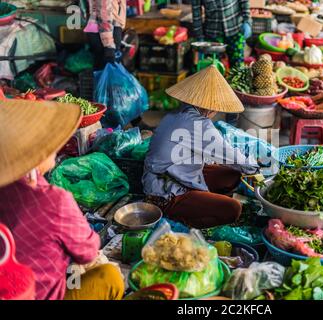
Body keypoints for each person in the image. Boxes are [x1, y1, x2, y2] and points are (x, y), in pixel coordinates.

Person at [0, 100, 124, 300]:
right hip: (35, 294)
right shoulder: (53, 200)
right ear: (35, 152)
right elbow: (88, 252)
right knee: (109, 277)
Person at [142, 65, 259, 229]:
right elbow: (228, 154)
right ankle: (191, 222)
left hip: (177, 172)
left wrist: (245, 166)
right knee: (233, 208)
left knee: (232, 175)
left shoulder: (180, 114)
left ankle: (204, 202)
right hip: (164, 192)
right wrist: (256, 168)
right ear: (210, 107)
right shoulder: (198, 123)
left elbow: (222, 151)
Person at [191, 0, 252, 68]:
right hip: (213, 34)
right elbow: (196, 15)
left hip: (235, 29)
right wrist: (199, 37)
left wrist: (247, 21)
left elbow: (244, 1)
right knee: (211, 68)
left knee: (238, 67)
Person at [83, 0, 126, 70]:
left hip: (101, 29)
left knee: (103, 72)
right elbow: (104, 14)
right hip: (105, 34)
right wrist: (109, 46)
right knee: (107, 73)